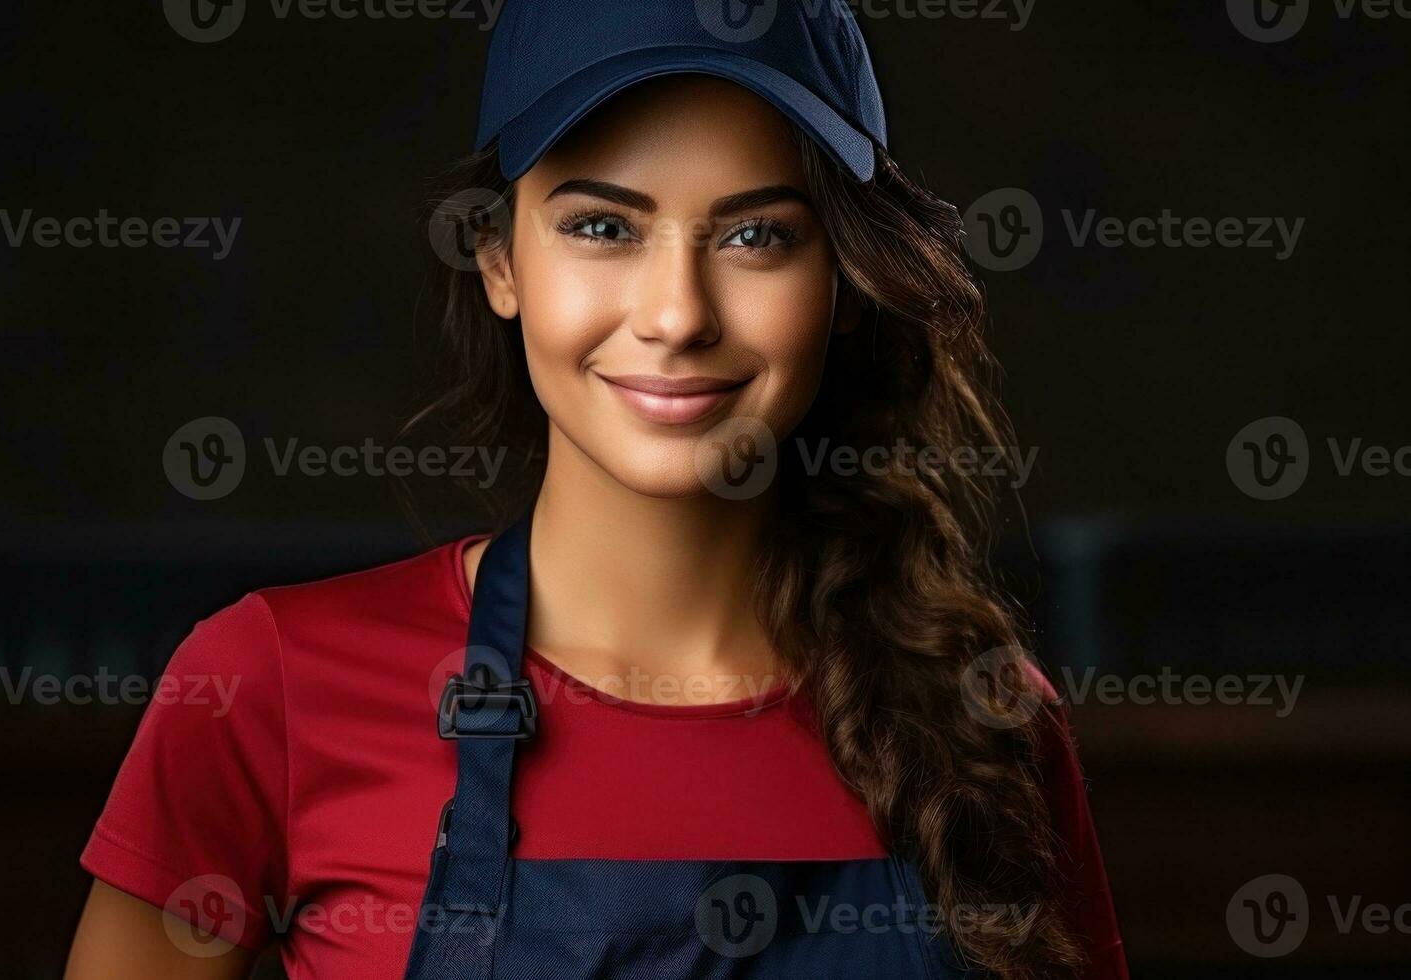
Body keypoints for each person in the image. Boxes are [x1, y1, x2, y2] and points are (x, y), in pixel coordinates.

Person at [65, 1, 1126, 976]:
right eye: (602, 226)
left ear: (845, 279)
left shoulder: (982, 721)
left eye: (758, 235)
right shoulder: (270, 688)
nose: (676, 315)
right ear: (499, 260)